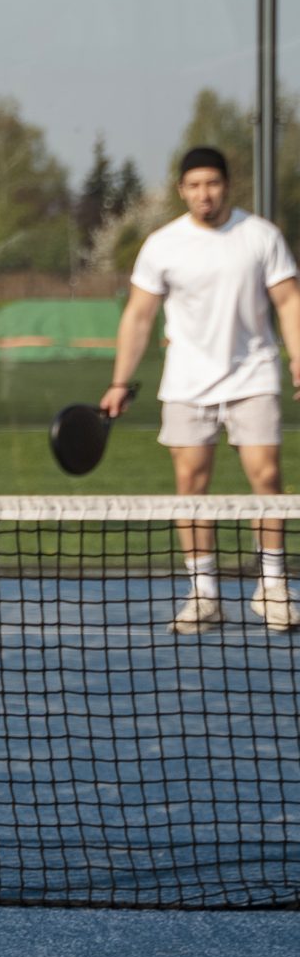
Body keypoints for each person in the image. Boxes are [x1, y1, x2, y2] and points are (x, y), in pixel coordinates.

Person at [103, 144, 300, 633]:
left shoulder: (260, 236)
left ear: (226, 186)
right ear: (181, 191)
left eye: (212, 183)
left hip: (253, 375)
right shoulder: (162, 245)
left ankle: (273, 588)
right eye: (194, 185)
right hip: (186, 384)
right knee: (190, 486)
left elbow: (288, 301)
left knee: (266, 477)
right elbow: (139, 315)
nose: (204, 193)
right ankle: (204, 594)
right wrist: (119, 382)